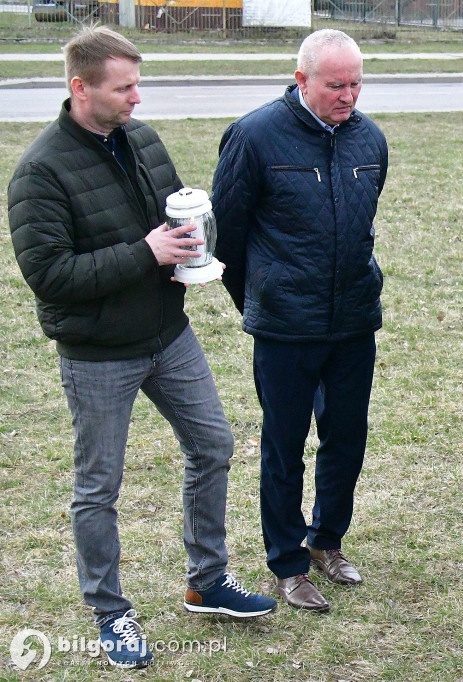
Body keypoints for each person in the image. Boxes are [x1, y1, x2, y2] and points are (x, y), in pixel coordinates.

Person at [7, 26, 275, 670]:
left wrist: (192, 244)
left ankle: (206, 582)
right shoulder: (40, 171)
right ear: (81, 88)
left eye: (137, 84)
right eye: (123, 88)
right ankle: (110, 612)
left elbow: (173, 214)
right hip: (98, 352)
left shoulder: (143, 139)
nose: (136, 97)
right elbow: (49, 275)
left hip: (167, 335)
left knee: (213, 445)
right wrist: (146, 253)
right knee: (98, 486)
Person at [212, 29, 387, 612]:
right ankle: (287, 562)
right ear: (302, 80)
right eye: (335, 85)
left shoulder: (370, 139)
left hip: (353, 320)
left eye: (356, 83)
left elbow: (363, 224)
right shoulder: (254, 136)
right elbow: (227, 236)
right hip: (286, 327)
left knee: (347, 438)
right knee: (284, 446)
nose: (348, 96)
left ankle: (326, 539)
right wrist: (263, 300)